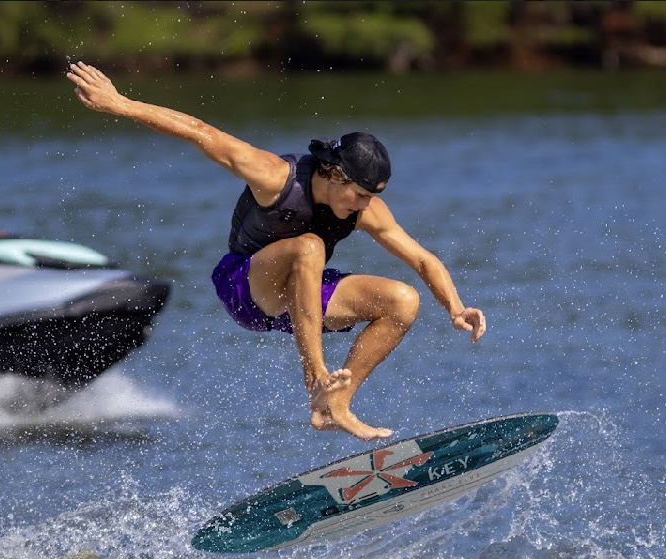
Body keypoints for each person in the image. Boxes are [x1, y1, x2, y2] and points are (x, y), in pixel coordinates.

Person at [66, 61, 486, 442]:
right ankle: (317, 377)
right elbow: (200, 131)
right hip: (246, 289)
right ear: (334, 173)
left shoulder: (365, 209)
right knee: (309, 246)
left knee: (402, 300)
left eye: (369, 199)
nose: (363, 207)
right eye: (358, 195)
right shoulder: (275, 177)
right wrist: (122, 104)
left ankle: (334, 404)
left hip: (302, 295)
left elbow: (423, 259)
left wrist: (455, 307)